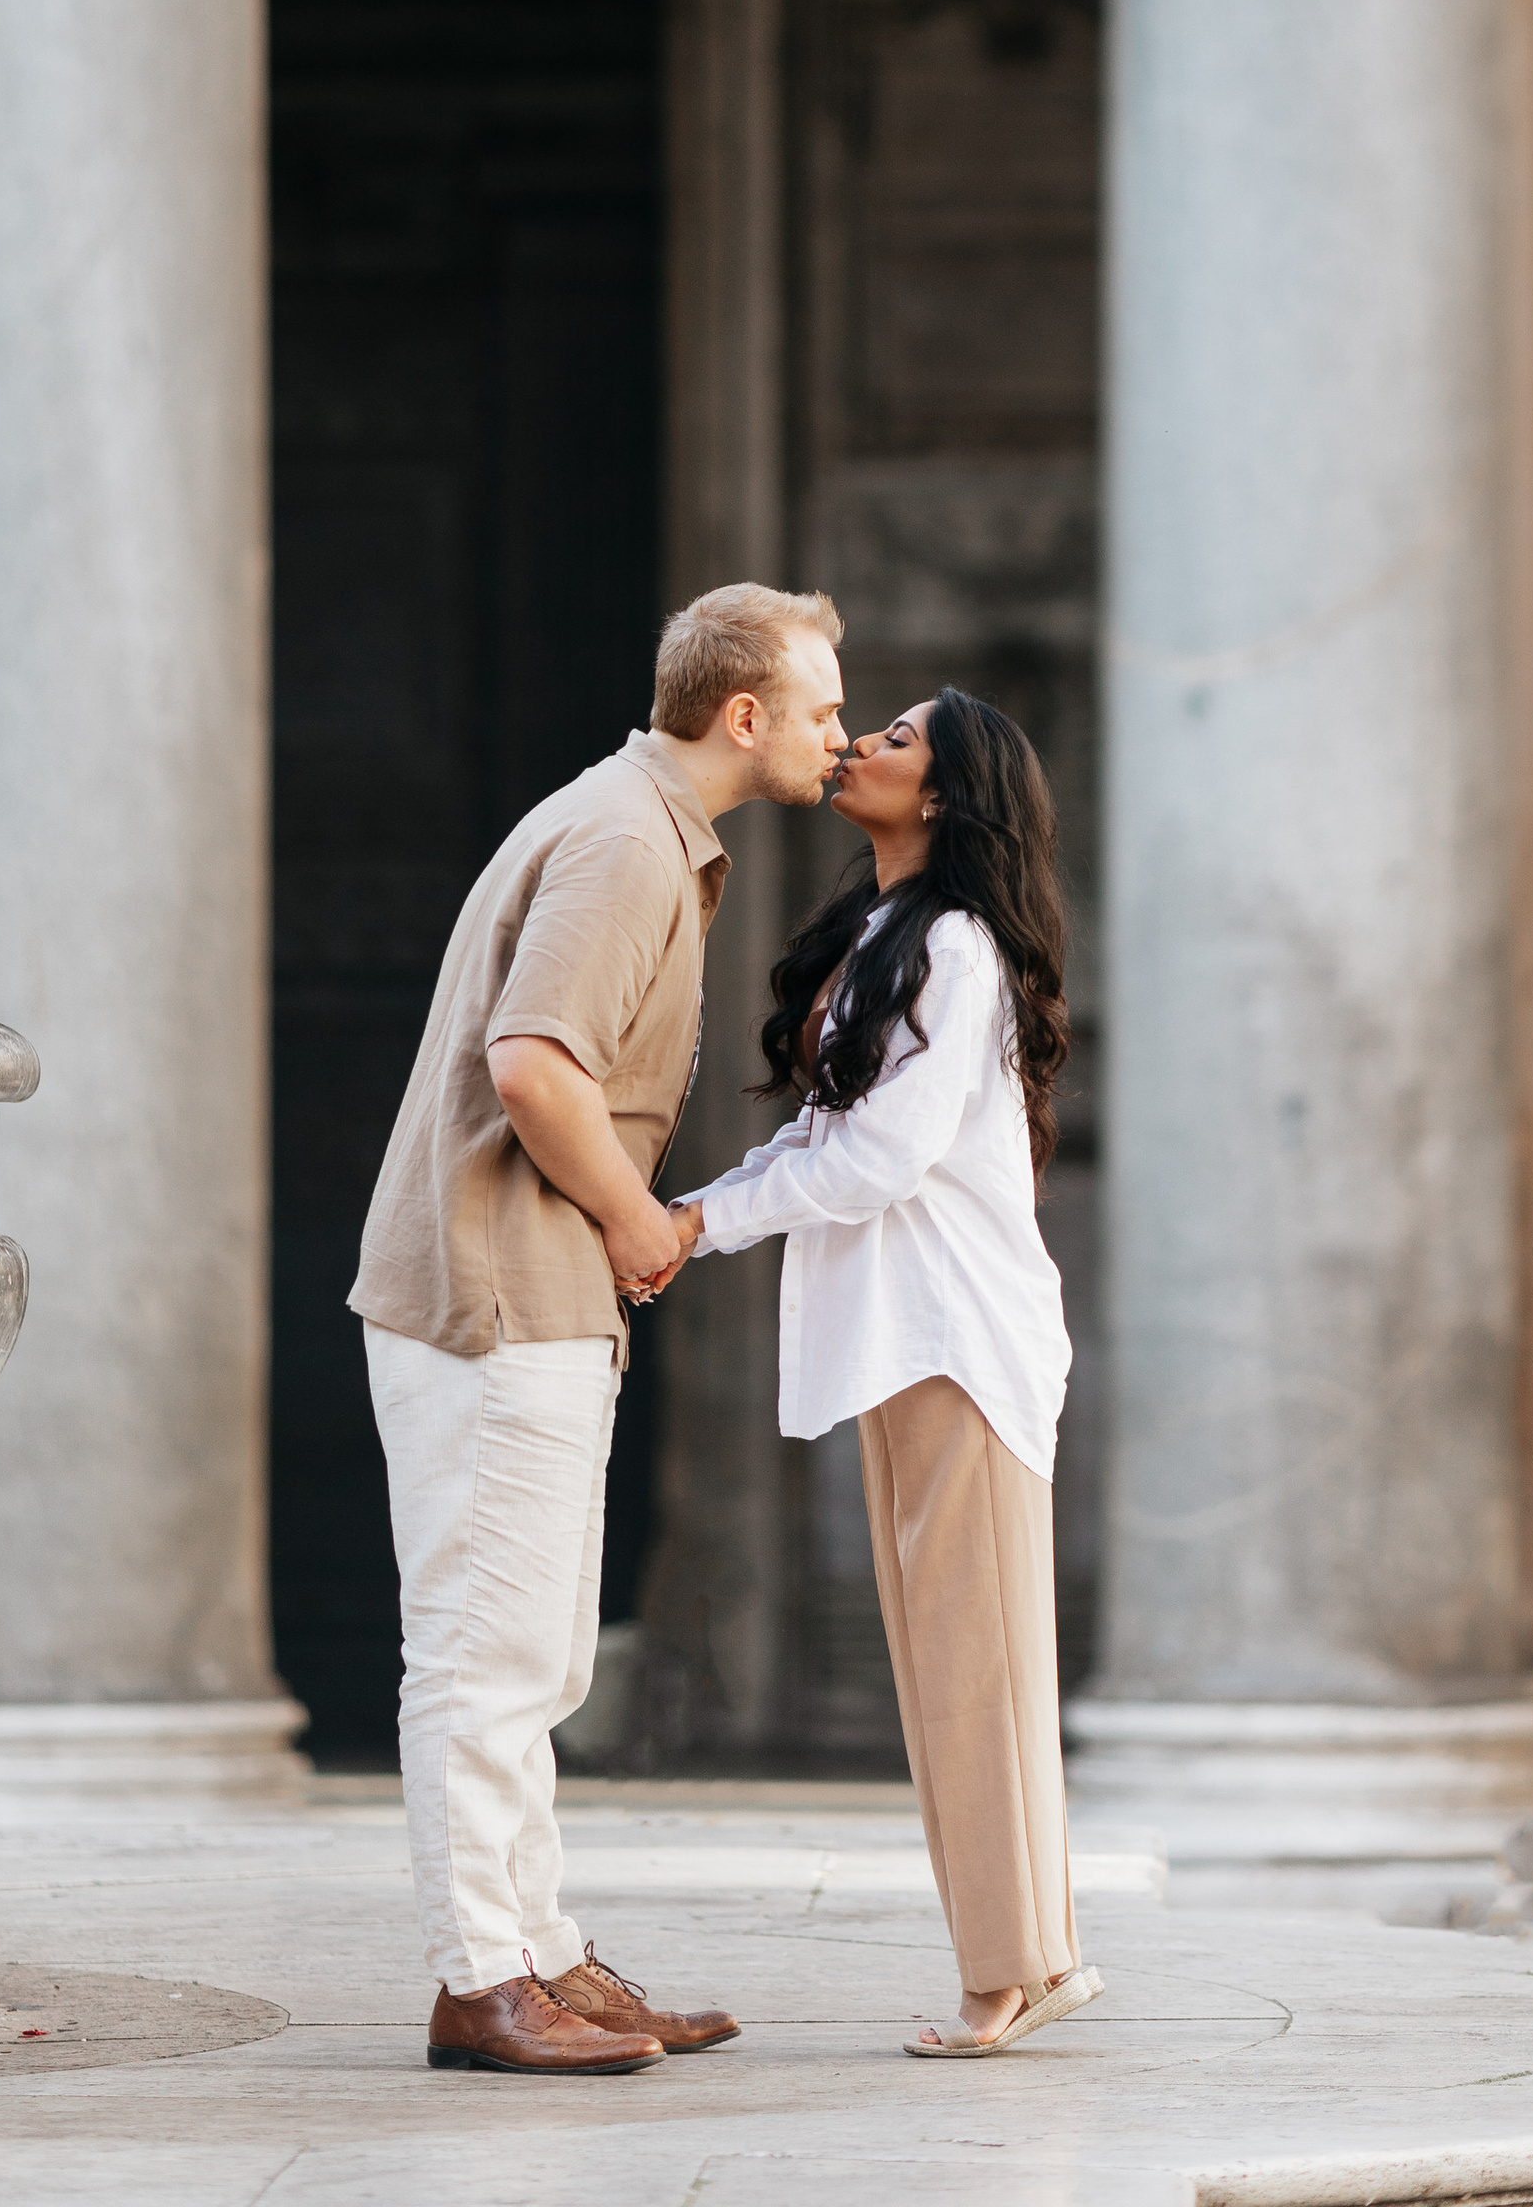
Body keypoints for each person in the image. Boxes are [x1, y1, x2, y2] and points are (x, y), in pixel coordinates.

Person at [348, 580, 849, 2080]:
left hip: (529, 1294)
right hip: (501, 1294)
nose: (839, 734)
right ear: (745, 714)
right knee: (482, 1656)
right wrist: (640, 1218)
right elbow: (534, 1068)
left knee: (539, 1655)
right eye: (823, 708)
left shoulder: (637, 826)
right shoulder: (629, 843)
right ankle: (479, 1982)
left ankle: (542, 1954)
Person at [647, 685, 1099, 2058]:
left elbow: (888, 1156)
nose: (859, 745)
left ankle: (1007, 1971)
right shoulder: (884, 932)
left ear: (950, 794)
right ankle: (1037, 1956)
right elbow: (820, 1136)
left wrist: (700, 1223)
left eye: (897, 738)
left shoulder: (955, 945)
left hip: (956, 1334)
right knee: (958, 1653)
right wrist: (690, 1219)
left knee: (973, 1658)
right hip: (910, 1333)